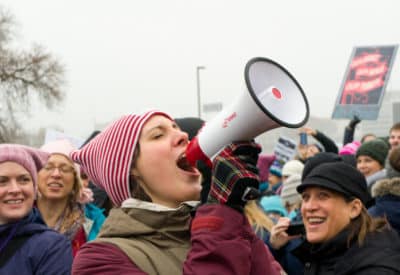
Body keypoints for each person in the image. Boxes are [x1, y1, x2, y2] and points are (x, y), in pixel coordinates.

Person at [71, 110, 283, 274]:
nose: (182, 135)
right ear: (129, 170)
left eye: (176, 128)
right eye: (158, 135)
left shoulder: (225, 226)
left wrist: (231, 211)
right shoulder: (100, 259)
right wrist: (219, 213)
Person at [288, 153, 400, 274]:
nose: (309, 207)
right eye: (305, 197)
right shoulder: (326, 249)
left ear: (354, 209)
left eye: (323, 196)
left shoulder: (376, 267)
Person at [0, 144, 72, 274]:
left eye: (24, 180)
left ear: (34, 188)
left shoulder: (51, 246)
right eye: (2, 181)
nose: (15, 189)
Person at [37, 139, 105, 257]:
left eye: (65, 169)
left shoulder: (95, 221)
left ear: (75, 179)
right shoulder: (17, 215)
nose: (56, 174)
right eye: (48, 167)